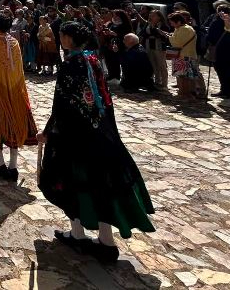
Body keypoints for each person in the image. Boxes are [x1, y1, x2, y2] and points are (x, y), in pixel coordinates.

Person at [38, 21, 155, 264]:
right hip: (99, 131)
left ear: (68, 39)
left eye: (62, 35)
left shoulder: (70, 64)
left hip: (73, 134)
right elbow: (104, 98)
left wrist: (49, 131)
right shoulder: (93, 61)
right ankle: (106, 241)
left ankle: (78, 234)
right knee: (101, 184)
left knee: (70, 181)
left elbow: (62, 103)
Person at [0, 14, 38, 181]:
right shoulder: (14, 43)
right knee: (13, 126)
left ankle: (1, 165)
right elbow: (19, 70)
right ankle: (13, 167)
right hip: (14, 92)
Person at [164, 12, 205, 101]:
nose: (171, 24)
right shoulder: (179, 29)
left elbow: (177, 43)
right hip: (181, 56)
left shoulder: (185, 29)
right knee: (181, 76)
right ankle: (182, 93)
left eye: (172, 22)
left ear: (178, 21)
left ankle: (188, 95)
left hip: (186, 56)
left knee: (187, 77)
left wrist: (168, 37)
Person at [208, 4, 230, 102]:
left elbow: (210, 36)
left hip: (222, 50)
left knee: (226, 72)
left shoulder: (217, 21)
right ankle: (229, 91)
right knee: (229, 73)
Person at [141, 10, 170, 91]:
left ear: (159, 17)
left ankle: (164, 84)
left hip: (159, 47)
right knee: (153, 65)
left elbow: (162, 36)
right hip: (149, 47)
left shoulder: (163, 25)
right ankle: (157, 82)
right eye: (150, 15)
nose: (151, 17)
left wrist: (154, 29)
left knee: (161, 66)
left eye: (153, 15)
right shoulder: (148, 24)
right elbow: (144, 34)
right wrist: (152, 33)